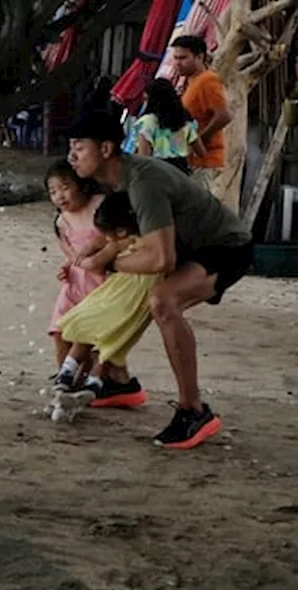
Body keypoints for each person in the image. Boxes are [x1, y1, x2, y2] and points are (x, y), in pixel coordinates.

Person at [68, 110, 254, 449]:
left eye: (79, 148)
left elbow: (160, 258)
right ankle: (117, 380)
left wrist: (110, 263)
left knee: (163, 301)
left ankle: (194, 411)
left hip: (227, 248)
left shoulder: (142, 182)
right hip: (191, 248)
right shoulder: (121, 179)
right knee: (127, 291)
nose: (71, 156)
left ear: (106, 149)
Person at [54, 192, 161, 409]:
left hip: (118, 295)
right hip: (135, 301)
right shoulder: (154, 242)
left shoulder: (121, 243)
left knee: (86, 327)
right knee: (107, 344)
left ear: (120, 231)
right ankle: (93, 385)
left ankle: (65, 376)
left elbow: (95, 261)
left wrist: (80, 258)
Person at [46, 159, 108, 366]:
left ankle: (92, 378)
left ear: (82, 184)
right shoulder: (61, 222)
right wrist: (66, 267)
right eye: (53, 191)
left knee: (93, 337)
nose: (59, 196)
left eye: (65, 187)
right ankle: (64, 378)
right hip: (74, 283)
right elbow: (71, 254)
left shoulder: (100, 205)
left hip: (102, 282)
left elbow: (120, 238)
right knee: (60, 329)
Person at [170, 35, 232, 193]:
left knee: (198, 213)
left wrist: (199, 139)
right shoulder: (190, 82)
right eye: (175, 58)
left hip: (205, 162)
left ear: (200, 57)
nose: (177, 63)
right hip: (191, 161)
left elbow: (224, 115)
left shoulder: (208, 81)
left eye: (183, 58)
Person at [133, 78, 207, 174]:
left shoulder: (147, 122)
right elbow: (201, 152)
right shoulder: (185, 121)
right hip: (181, 173)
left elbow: (144, 157)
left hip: (158, 173)